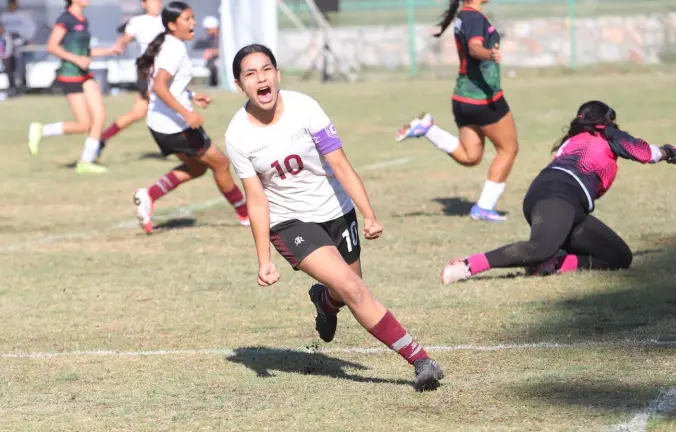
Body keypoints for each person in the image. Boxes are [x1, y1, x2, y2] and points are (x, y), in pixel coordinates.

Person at [225, 43, 444, 392]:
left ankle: (324, 301)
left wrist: (369, 214)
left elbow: (340, 164)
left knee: (346, 290)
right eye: (250, 74)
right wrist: (264, 259)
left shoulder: (305, 107)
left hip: (337, 210)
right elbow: (256, 199)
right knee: (353, 288)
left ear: (278, 75)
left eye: (266, 70)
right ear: (239, 85)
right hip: (290, 222)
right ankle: (421, 360)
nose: (261, 79)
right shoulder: (237, 135)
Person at [440, 100, 676, 285]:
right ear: (606, 120)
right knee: (539, 247)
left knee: (619, 257)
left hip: (562, 201)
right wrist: (668, 151)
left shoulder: (571, 140)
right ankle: (467, 266)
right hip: (557, 196)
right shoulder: (604, 132)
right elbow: (644, 153)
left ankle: (553, 264)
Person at [395, 0, 518, 222]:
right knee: (508, 149)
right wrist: (489, 54)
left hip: (462, 99)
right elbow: (474, 48)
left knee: (471, 156)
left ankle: (428, 129)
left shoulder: (464, 16)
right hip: (483, 99)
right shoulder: (474, 18)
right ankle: (484, 207)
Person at [132, 1, 248, 233]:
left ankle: (149, 194)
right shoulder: (173, 50)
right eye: (187, 19)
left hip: (160, 124)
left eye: (192, 17)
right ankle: (247, 215)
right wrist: (187, 113)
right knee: (221, 164)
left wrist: (192, 96)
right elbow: (160, 87)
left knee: (196, 168)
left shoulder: (169, 43)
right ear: (172, 25)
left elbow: (168, 85)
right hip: (176, 125)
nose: (193, 22)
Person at [26, 0, 121, 173]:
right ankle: (42, 130)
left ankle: (86, 161)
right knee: (84, 124)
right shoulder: (65, 20)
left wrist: (110, 50)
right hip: (70, 75)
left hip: (85, 74)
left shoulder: (83, 20)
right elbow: (52, 46)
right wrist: (76, 59)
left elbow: (85, 51)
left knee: (100, 116)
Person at [98, 0, 164, 152]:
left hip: (163, 71)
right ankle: (189, 148)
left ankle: (101, 138)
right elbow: (125, 40)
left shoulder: (167, 20)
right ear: (144, 4)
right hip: (147, 71)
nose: (157, 4)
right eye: (153, 1)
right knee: (169, 107)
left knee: (138, 112)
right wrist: (118, 45)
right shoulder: (137, 21)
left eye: (159, 1)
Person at [193, 15, 218, 87]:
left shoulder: (222, 37)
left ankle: (214, 84)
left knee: (214, 66)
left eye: (208, 29)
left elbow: (225, 51)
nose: (206, 31)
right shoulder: (210, 38)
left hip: (218, 62)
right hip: (211, 61)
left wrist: (212, 52)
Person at [0, 23, 15, 95]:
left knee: (9, 74)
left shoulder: (6, 36)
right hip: (2, 57)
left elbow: (9, 47)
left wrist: (5, 55)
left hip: (7, 58)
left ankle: (12, 89)